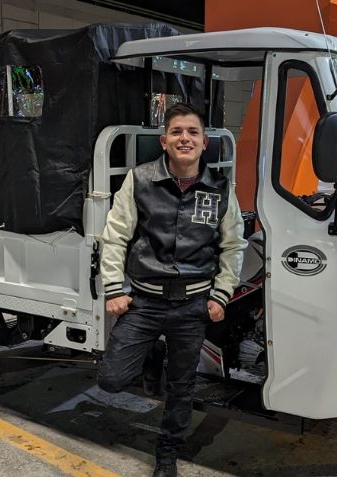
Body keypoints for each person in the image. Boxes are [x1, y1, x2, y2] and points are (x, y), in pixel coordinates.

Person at [98, 102, 247, 477]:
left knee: (181, 388)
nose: (185, 138)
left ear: (204, 142)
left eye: (193, 132)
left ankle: (167, 456)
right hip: (144, 301)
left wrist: (220, 294)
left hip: (193, 305)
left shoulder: (220, 189)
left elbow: (233, 246)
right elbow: (115, 237)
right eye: (177, 132)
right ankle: (152, 352)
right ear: (164, 141)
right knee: (111, 379)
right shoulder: (140, 179)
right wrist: (114, 288)